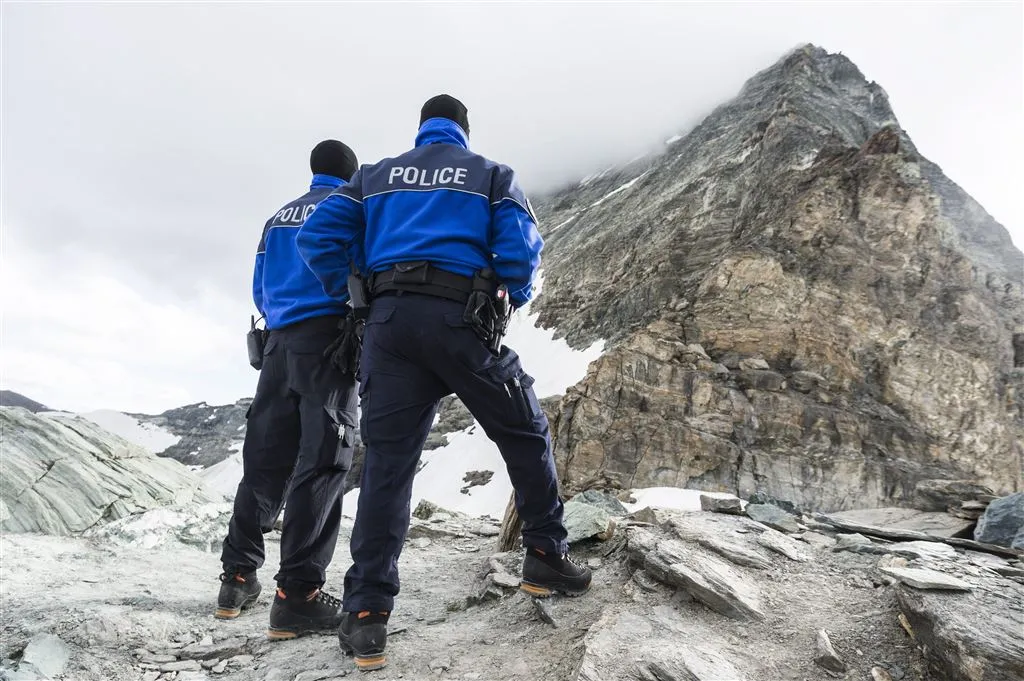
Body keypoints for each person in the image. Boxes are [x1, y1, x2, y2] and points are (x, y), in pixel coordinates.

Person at [297, 95, 591, 671]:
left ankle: (366, 616)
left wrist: (357, 289)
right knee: (524, 431)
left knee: (387, 466)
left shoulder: (372, 178)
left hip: (387, 327)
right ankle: (545, 556)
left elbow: (316, 240)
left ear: (422, 129)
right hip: (461, 317)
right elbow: (521, 248)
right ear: (463, 129)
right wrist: (509, 294)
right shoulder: (490, 175)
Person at [216, 140, 361, 642]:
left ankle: (236, 578)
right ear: (350, 173)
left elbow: (258, 286)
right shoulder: (349, 206)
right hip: (326, 345)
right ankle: (298, 595)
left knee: (264, 462)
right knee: (324, 462)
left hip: (275, 348)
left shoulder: (277, 216)